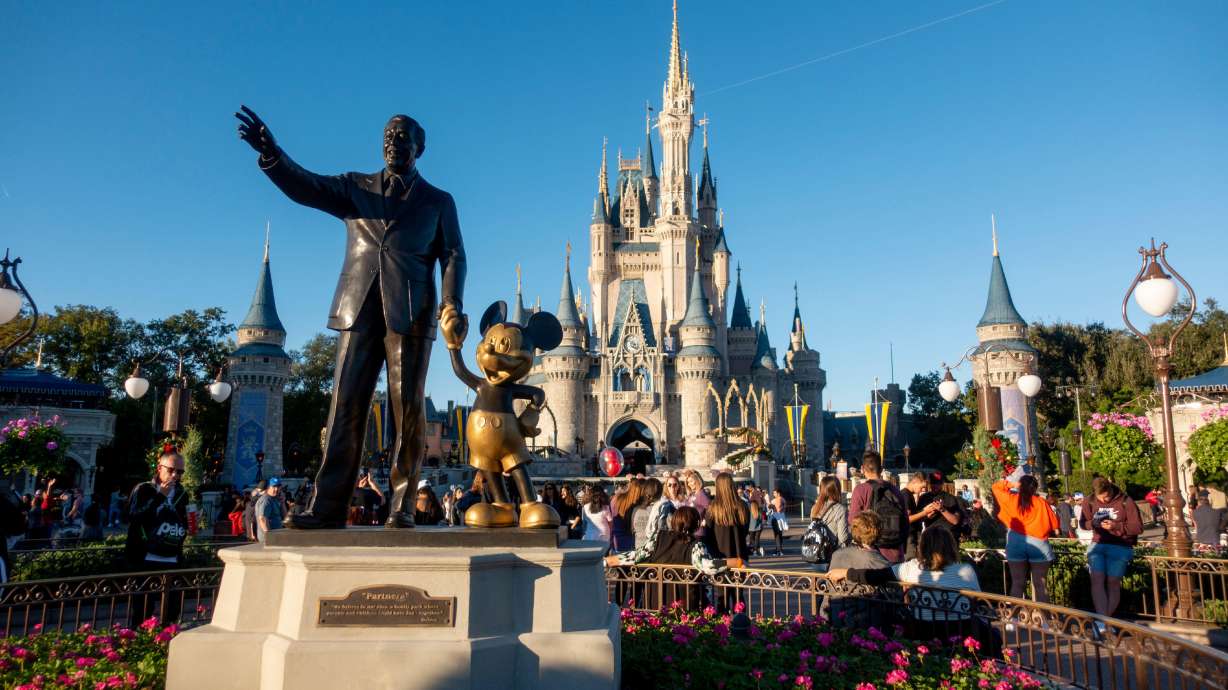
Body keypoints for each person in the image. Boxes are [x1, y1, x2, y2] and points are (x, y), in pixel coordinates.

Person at [237, 107, 467, 529]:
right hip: (356, 307)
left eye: (402, 137)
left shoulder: (438, 202)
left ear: (420, 148)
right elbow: (306, 187)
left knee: (408, 412)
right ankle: (327, 507)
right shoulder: (356, 188)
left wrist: (451, 303)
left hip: (411, 313)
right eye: (387, 135)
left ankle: (401, 506)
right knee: (344, 406)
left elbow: (453, 255)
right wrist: (273, 155)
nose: (393, 142)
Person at [606, 506, 744, 610]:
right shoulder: (696, 545)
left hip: (656, 599)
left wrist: (611, 560)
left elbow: (637, 555)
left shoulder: (659, 537)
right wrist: (735, 561)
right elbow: (706, 565)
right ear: (695, 524)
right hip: (684, 601)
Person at [126, 451, 190, 625]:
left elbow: (183, 521)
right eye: (171, 470)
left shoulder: (182, 493)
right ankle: (139, 641)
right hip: (146, 556)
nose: (175, 475)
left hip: (172, 555)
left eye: (180, 472)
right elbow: (134, 517)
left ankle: (165, 642)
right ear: (160, 468)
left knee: (172, 607)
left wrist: (190, 525)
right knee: (143, 607)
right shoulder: (144, 489)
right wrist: (159, 496)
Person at [1080, 477, 1143, 628]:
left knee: (1113, 582)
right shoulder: (1089, 501)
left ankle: (1103, 622)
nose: (1104, 499)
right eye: (1101, 498)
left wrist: (1116, 526)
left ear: (1111, 489)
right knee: (1097, 579)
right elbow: (1083, 523)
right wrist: (1093, 523)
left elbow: (1138, 527)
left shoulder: (1126, 501)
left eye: (1106, 496)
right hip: (1098, 544)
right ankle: (1103, 623)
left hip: (1120, 546)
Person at [993, 476, 1059, 603]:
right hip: (1038, 543)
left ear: (1020, 485)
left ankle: (1013, 620)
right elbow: (1055, 525)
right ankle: (1044, 621)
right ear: (1035, 488)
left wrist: (1012, 484)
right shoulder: (1041, 502)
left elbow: (996, 487)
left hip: (1015, 541)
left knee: (1017, 583)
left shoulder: (1011, 499)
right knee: (1041, 585)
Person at [848, 451, 909, 563]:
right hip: (896, 553)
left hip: (871, 556)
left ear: (862, 469)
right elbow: (905, 521)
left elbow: (853, 521)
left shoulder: (860, 490)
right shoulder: (895, 490)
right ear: (881, 469)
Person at [705, 472, 750, 561]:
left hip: (719, 555)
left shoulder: (713, 507)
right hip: (739, 554)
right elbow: (745, 529)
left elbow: (708, 532)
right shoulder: (743, 505)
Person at [916, 472, 968, 540]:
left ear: (942, 483)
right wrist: (926, 515)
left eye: (938, 483)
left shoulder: (950, 498)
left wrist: (942, 509)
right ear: (929, 483)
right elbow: (917, 520)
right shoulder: (923, 498)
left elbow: (955, 521)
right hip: (931, 537)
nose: (935, 485)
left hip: (947, 537)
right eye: (933, 482)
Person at [809, 476, 850, 558]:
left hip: (816, 554)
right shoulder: (840, 509)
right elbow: (843, 539)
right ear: (837, 490)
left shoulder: (815, 508)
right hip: (832, 556)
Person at [902, 474, 939, 560]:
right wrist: (925, 512)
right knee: (911, 562)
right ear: (915, 482)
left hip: (912, 536)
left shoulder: (909, 494)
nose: (923, 490)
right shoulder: (906, 495)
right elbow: (908, 519)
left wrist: (926, 515)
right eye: (922, 487)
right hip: (909, 537)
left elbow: (914, 517)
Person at [610, 479, 643, 552]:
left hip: (617, 541)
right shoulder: (638, 504)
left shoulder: (617, 498)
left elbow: (612, 518)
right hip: (631, 543)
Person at [630, 479, 662, 548]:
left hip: (639, 551)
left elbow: (632, 530)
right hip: (655, 551)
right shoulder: (661, 510)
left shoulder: (635, 510)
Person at [581, 483, 614, 547]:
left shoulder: (585, 507)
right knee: (604, 554)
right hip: (604, 535)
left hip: (590, 535)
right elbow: (610, 522)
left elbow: (584, 522)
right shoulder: (605, 507)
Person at [255, 478, 285, 543]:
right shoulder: (266, 500)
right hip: (268, 538)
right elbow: (262, 519)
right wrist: (269, 536)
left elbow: (284, 516)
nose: (276, 489)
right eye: (273, 486)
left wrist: (282, 502)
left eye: (278, 486)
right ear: (268, 487)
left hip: (275, 536)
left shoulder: (274, 499)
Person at [767, 488, 788, 556]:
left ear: (778, 493)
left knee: (777, 535)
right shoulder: (781, 499)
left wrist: (772, 506)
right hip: (780, 517)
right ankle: (778, 549)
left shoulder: (779, 499)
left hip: (777, 518)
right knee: (779, 534)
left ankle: (778, 550)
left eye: (774, 493)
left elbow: (778, 508)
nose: (773, 494)